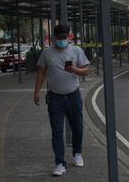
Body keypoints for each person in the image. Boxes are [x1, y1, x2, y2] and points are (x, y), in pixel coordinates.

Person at [34, 24, 90, 176]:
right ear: (54, 37)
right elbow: (41, 72)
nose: (62, 40)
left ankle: (77, 152)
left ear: (69, 36)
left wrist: (75, 70)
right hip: (55, 98)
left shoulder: (76, 51)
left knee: (77, 127)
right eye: (59, 38)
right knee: (57, 132)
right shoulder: (47, 53)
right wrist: (37, 92)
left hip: (73, 96)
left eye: (65, 37)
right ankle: (59, 163)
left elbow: (86, 70)